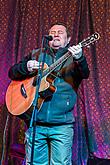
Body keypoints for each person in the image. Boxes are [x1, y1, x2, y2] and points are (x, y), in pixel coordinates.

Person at [8, 23, 90, 165]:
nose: (56, 34)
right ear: (48, 37)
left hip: (61, 126)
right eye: (53, 32)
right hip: (35, 124)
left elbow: (85, 73)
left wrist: (80, 58)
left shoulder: (73, 58)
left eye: (60, 32)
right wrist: (26, 67)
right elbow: (12, 73)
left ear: (68, 39)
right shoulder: (36, 54)